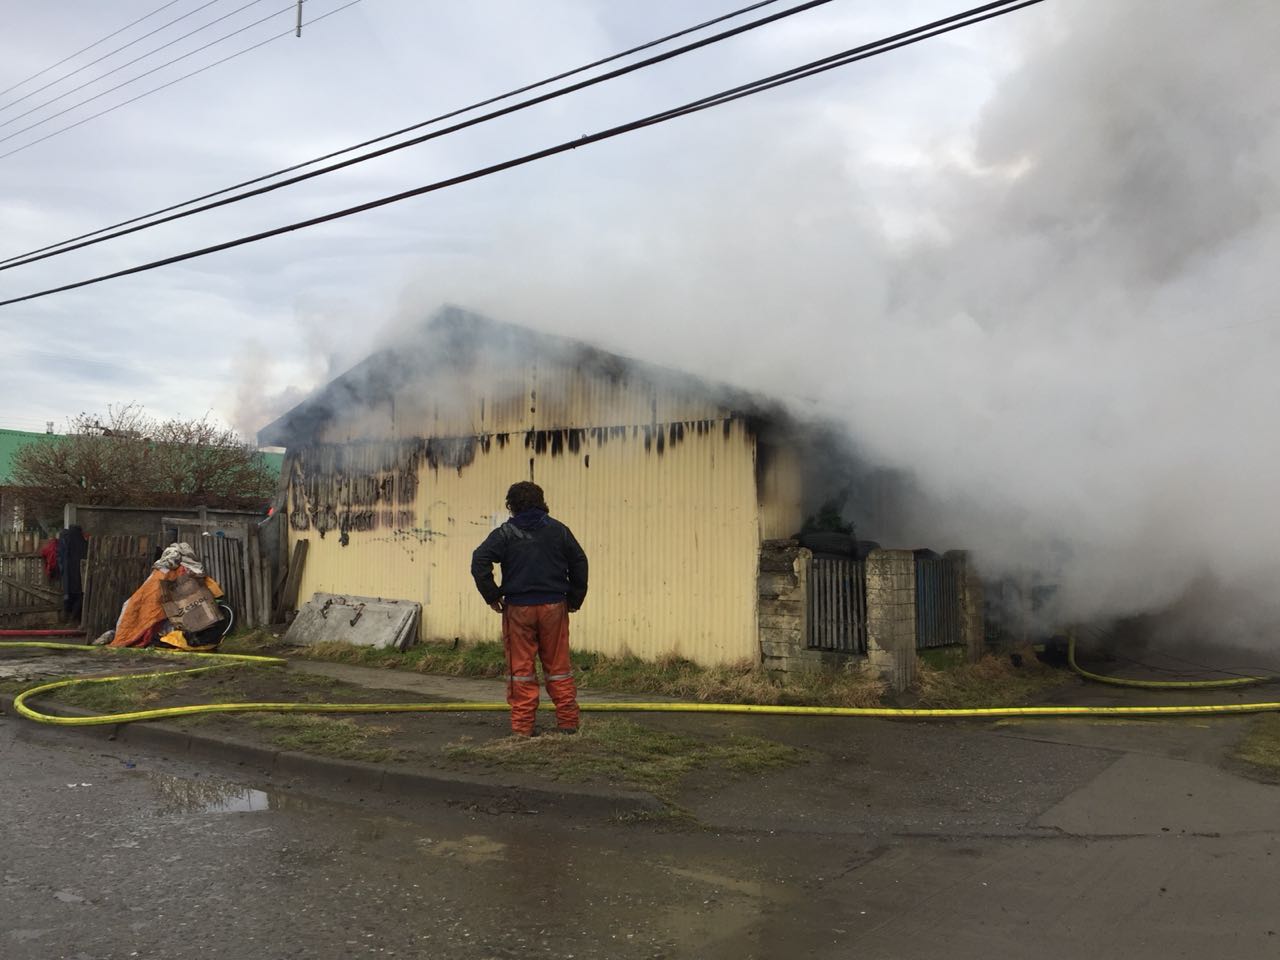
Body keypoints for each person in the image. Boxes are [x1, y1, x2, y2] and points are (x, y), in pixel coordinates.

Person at [471, 481, 588, 738]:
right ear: (541, 501)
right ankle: (568, 722)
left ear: (511, 506)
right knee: (558, 666)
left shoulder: (505, 533)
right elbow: (579, 561)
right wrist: (575, 598)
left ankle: (523, 728)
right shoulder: (559, 531)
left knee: (520, 669)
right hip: (554, 607)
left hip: (518, 610)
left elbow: (479, 559)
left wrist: (492, 595)